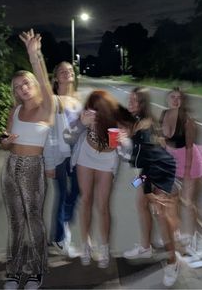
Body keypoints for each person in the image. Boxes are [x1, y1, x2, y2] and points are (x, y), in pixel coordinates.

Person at [0, 29, 54, 290]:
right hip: (11, 167)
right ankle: (14, 270)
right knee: (15, 220)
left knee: (33, 219)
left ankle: (35, 270)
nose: (23, 89)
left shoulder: (46, 106)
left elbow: (45, 83)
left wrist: (35, 56)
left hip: (33, 168)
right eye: (18, 87)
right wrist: (5, 142)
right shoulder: (15, 109)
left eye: (26, 83)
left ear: (34, 84)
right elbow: (6, 138)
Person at [117, 87, 180, 288]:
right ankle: (146, 247)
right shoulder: (139, 123)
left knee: (161, 214)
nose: (130, 104)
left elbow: (149, 160)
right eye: (130, 100)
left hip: (159, 171)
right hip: (147, 170)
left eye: (135, 101)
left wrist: (150, 192)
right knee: (140, 202)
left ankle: (173, 262)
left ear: (143, 104)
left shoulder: (144, 127)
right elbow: (137, 157)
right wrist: (124, 141)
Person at [160, 87, 202, 262]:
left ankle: (201, 242)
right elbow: (162, 143)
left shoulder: (188, 121)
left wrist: (187, 176)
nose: (175, 100)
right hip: (173, 165)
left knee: (190, 205)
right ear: (167, 99)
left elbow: (190, 150)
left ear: (183, 101)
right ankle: (182, 235)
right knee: (170, 202)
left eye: (179, 98)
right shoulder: (164, 115)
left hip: (192, 165)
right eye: (172, 97)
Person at [43, 61, 84, 257]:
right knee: (62, 194)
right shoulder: (54, 100)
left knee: (77, 191)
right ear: (56, 78)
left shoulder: (79, 100)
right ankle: (60, 238)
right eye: (62, 71)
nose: (67, 73)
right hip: (60, 154)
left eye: (70, 70)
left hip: (79, 154)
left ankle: (63, 226)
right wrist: (49, 163)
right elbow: (48, 133)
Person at [76, 90, 120, 269]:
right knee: (85, 200)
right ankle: (86, 244)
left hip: (107, 160)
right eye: (92, 106)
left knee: (103, 206)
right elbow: (68, 135)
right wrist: (81, 123)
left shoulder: (115, 118)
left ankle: (104, 247)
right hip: (86, 156)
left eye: (100, 106)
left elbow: (120, 147)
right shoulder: (85, 115)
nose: (95, 110)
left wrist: (121, 141)